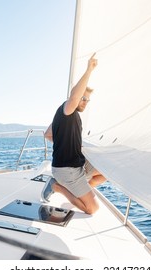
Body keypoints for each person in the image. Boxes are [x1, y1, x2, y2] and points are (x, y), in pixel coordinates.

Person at [41, 53, 106, 214]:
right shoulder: (68, 109)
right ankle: (58, 187)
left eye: (87, 100)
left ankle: (79, 191)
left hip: (78, 165)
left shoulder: (67, 115)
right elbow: (74, 96)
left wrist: (68, 145)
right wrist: (89, 69)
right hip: (67, 171)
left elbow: (48, 135)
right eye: (83, 98)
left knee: (109, 170)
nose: (84, 102)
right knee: (92, 209)